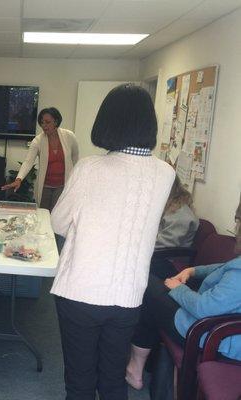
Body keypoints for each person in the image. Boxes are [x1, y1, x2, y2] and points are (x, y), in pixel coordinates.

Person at [50, 84, 175, 400]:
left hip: (80, 290)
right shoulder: (165, 172)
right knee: (113, 381)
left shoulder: (90, 167)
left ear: (107, 122)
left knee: (79, 383)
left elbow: (58, 222)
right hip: (128, 295)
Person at [126, 195, 241, 390]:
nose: (235, 228)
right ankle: (142, 365)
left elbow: (205, 308)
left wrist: (178, 289)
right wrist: (194, 270)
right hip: (216, 325)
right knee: (154, 293)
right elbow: (225, 267)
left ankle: (135, 369)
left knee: (149, 288)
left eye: (237, 222)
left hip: (212, 336)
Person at [1, 107, 79, 211]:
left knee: (58, 214)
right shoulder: (38, 140)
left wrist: (76, 180)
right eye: (42, 122)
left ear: (56, 121)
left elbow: (75, 159)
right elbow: (28, 162)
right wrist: (18, 179)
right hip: (45, 186)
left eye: (47, 122)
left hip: (63, 184)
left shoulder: (69, 136)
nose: (44, 126)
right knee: (44, 213)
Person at [150, 175, 199, 279]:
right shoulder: (171, 207)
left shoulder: (181, 215)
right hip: (161, 257)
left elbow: (163, 246)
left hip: (171, 263)